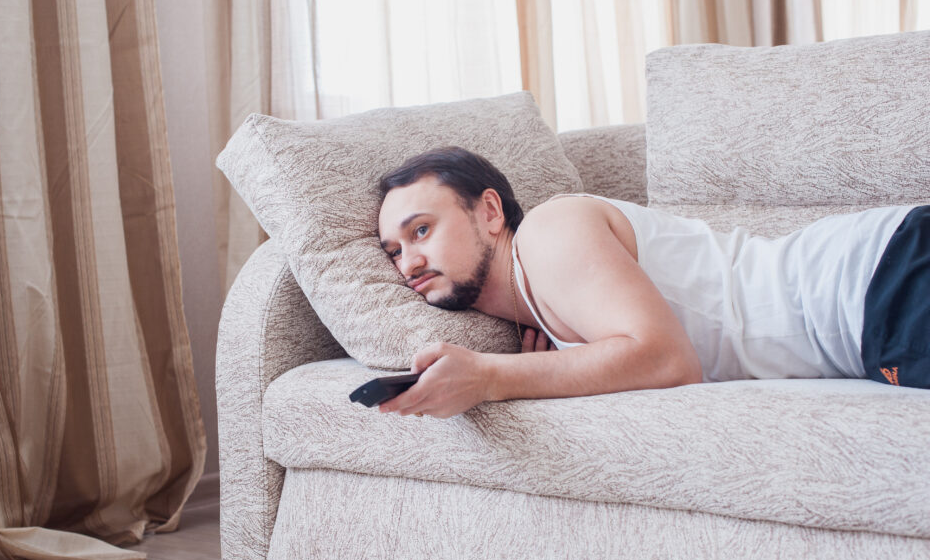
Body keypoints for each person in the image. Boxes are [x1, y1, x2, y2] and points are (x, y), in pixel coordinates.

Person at [375, 147, 929, 419]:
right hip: (870, 310)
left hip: (875, 279)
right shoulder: (544, 306)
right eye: (394, 252)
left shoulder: (550, 229)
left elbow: (668, 360)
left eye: (421, 230)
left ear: (490, 212)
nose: (408, 263)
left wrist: (493, 374)